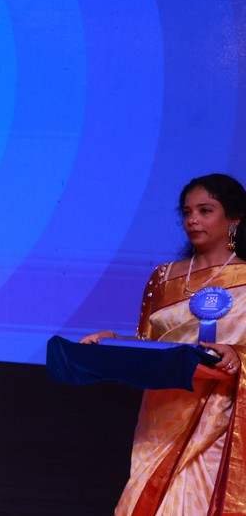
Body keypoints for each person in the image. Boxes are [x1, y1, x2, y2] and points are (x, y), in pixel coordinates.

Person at [81, 173, 246, 515]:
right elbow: (149, 344)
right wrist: (112, 341)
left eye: (205, 210)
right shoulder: (164, 277)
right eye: (187, 212)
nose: (192, 220)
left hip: (220, 417)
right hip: (163, 414)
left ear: (234, 219)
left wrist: (237, 355)